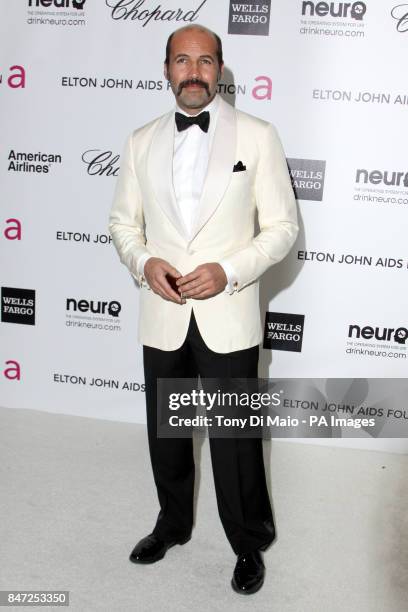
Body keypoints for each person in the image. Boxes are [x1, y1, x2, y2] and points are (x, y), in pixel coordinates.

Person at [109, 24, 298, 595]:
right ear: (166, 68)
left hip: (229, 310)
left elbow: (284, 227)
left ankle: (248, 542)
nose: (194, 72)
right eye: (182, 61)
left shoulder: (259, 136)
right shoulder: (140, 140)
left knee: (234, 440)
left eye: (206, 61)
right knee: (166, 433)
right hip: (163, 310)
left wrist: (230, 270)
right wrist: (145, 264)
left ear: (221, 69)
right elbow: (122, 224)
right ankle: (172, 524)